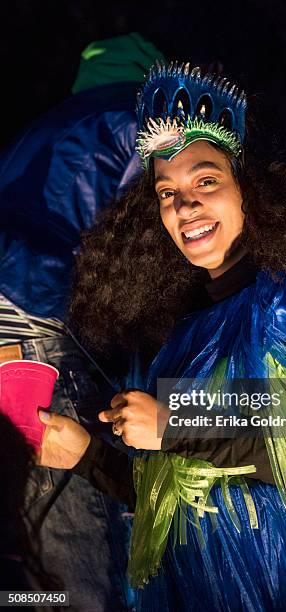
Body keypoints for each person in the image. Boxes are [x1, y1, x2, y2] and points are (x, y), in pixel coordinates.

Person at [39, 61, 286, 610]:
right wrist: (87, 455)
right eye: (166, 192)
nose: (184, 205)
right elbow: (176, 500)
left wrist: (180, 423)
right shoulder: (176, 337)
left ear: (249, 188)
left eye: (206, 181)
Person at [0, 33, 164, 610]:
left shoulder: (39, 130)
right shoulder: (137, 124)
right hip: (36, 330)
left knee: (24, 535)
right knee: (69, 539)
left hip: (9, 332)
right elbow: (146, 251)